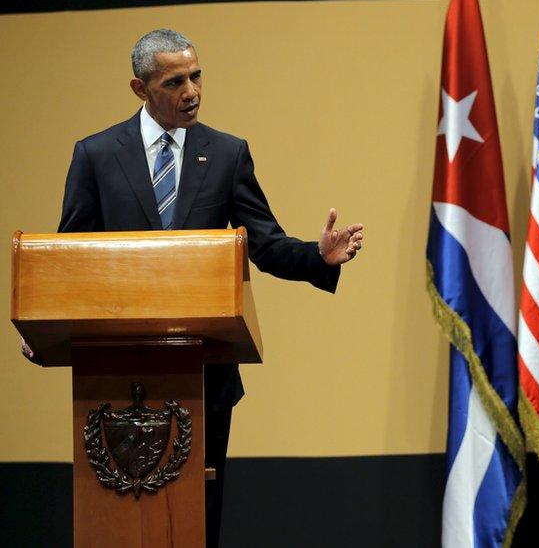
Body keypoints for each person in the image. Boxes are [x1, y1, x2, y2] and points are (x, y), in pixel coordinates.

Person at [55, 29, 364, 547]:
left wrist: (317, 256)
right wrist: (49, 325)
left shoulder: (226, 154)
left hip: (204, 373)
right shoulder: (96, 155)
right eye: (174, 82)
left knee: (199, 518)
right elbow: (71, 259)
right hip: (113, 372)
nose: (191, 91)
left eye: (196, 76)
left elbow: (263, 244)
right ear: (140, 88)